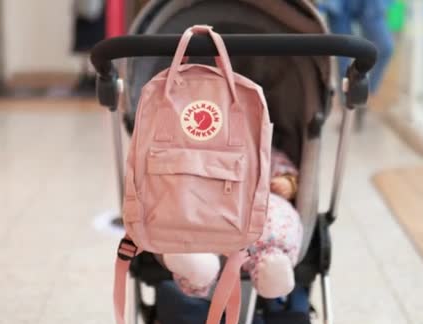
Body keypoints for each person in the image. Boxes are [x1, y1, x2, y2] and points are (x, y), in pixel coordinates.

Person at [158, 147, 304, 300]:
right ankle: (197, 264)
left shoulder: (260, 149)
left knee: (276, 216)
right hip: (210, 208)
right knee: (188, 215)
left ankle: (271, 266)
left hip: (258, 208)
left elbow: (286, 173)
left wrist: (287, 183)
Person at [322, 0, 395, 129]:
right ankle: (348, 109)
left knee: (386, 47)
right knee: (343, 59)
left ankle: (364, 95)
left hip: (369, 3)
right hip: (340, 4)